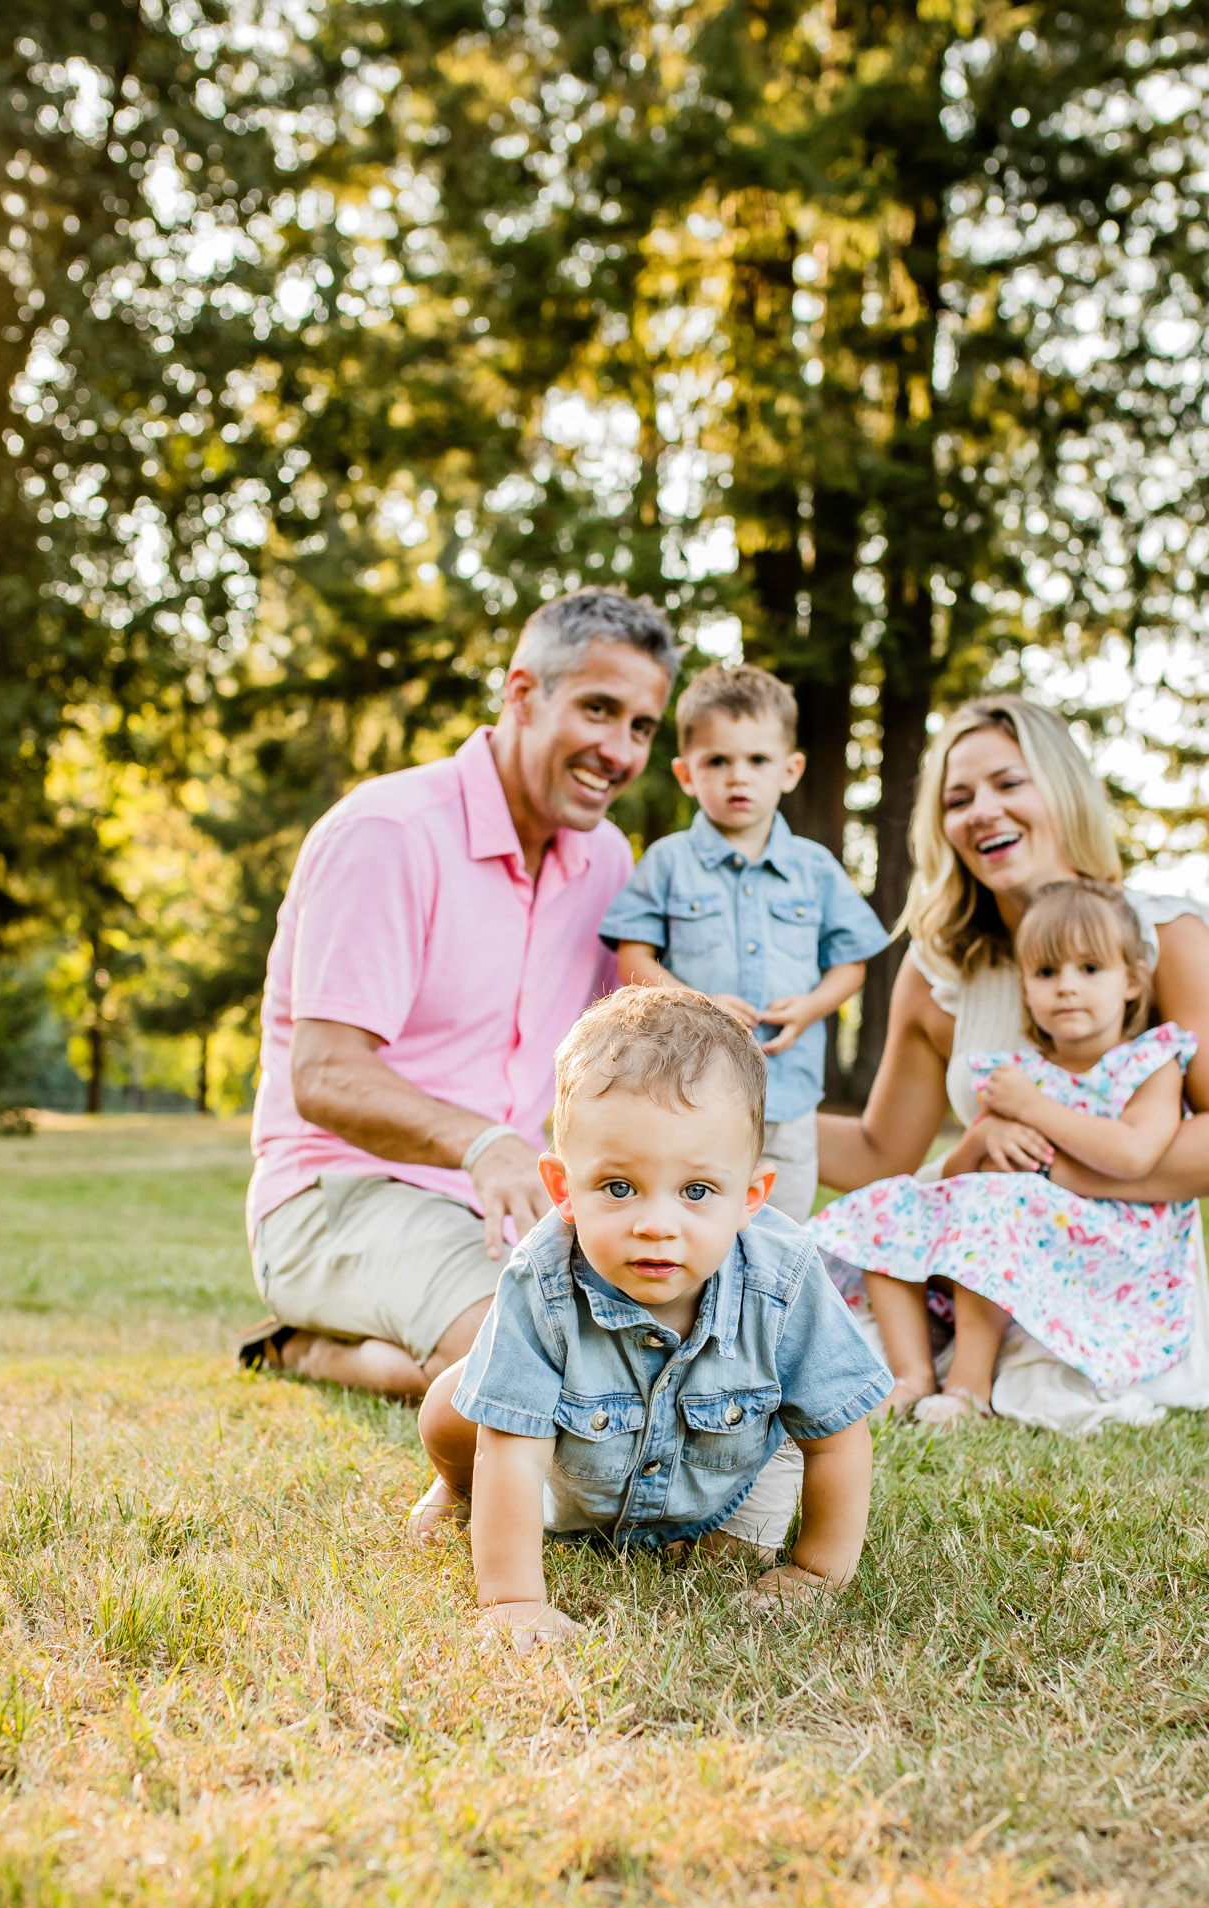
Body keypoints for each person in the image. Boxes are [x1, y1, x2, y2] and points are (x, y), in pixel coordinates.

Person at [243, 589, 676, 1404]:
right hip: (335, 1193)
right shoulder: (389, 833)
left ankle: (338, 1348)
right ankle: (308, 1349)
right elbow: (325, 1074)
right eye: (598, 709)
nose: (619, 750)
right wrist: (484, 1145)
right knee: (532, 1363)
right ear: (522, 694)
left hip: (507, 1210)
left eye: (642, 727)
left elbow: (637, 1053)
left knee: (651, 1341)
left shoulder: (611, 863)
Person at [817, 696, 1209, 1432]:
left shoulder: (1162, 937)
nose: (981, 812)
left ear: (1062, 789)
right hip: (969, 1269)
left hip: (1102, 1279)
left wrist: (1035, 1163)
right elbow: (881, 1153)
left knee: (1043, 1390)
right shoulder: (940, 969)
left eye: (1008, 783)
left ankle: (981, 1374)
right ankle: (934, 1371)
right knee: (824, 1321)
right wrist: (744, 1123)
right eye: (957, 799)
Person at [413, 988, 892, 1649]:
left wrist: (816, 1571)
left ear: (750, 1197)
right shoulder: (542, 1281)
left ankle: (711, 1532)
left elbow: (837, 1431)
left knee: (733, 1566)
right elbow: (513, 1453)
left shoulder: (785, 1276)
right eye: (618, 1187)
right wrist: (514, 1600)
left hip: (734, 1467)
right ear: (564, 1190)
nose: (656, 1226)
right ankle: (452, 1489)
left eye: (697, 1192)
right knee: (454, 1403)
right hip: (579, 1469)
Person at [811, 879, 1200, 1422]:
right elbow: (950, 1184)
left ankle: (970, 1389)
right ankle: (911, 1375)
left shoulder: (1148, 1063)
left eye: (1090, 970)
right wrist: (980, 1137)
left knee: (994, 1202)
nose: (1066, 987)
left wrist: (1033, 1110)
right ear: (1026, 987)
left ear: (1132, 981)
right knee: (887, 1209)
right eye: (1046, 972)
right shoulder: (1017, 1075)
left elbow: (1134, 1155)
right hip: (1015, 1232)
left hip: (1113, 1246)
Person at [598, 661, 891, 1220]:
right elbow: (632, 957)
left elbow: (851, 965)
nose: (739, 777)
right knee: (696, 1228)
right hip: (689, 1093)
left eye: (757, 760)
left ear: (790, 769)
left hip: (788, 1097)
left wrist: (811, 1007)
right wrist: (694, 1004)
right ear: (687, 774)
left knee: (781, 1236)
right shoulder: (668, 863)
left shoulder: (815, 868)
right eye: (718, 762)